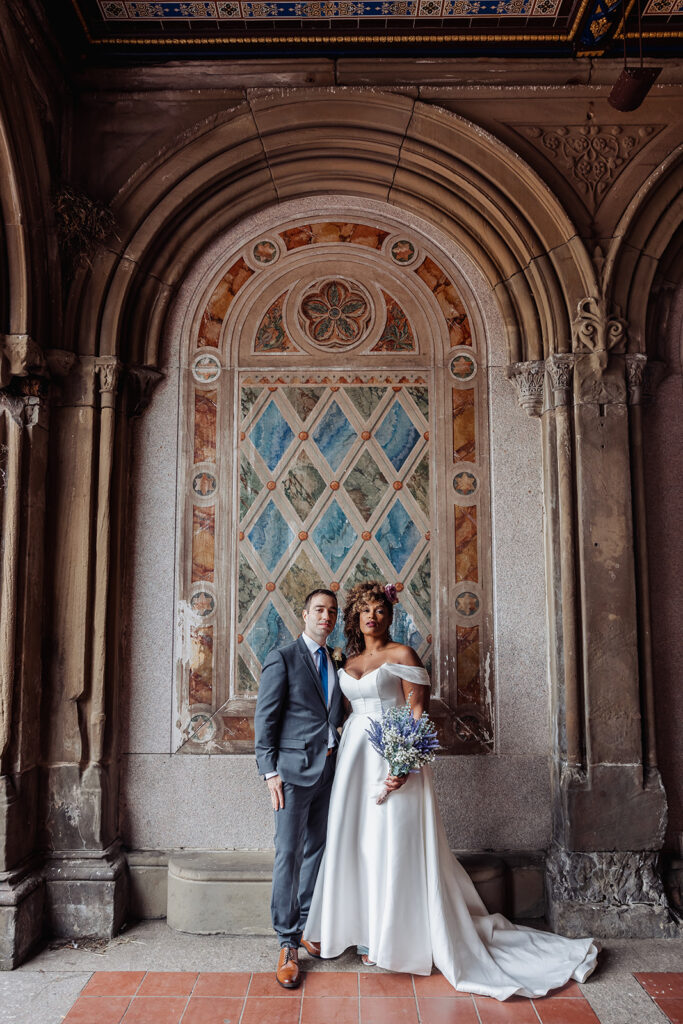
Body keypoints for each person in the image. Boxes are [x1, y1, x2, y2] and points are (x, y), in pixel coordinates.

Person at [304, 581, 598, 1000]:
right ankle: (364, 929)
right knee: (360, 845)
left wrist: (403, 765)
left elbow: (418, 713)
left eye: (380, 609)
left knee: (394, 843)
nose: (373, 616)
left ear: (391, 614)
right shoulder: (347, 661)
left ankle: (395, 936)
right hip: (354, 761)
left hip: (392, 755)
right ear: (355, 616)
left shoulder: (403, 655)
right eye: (365, 610)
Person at [254, 588, 345, 989]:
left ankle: (306, 926)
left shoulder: (334, 660)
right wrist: (269, 772)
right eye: (320, 610)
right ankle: (287, 942)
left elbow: (336, 715)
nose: (326, 617)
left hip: (329, 770)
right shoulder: (284, 659)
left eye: (332, 612)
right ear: (305, 614)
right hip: (290, 774)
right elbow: (265, 720)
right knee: (288, 854)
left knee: (317, 850)